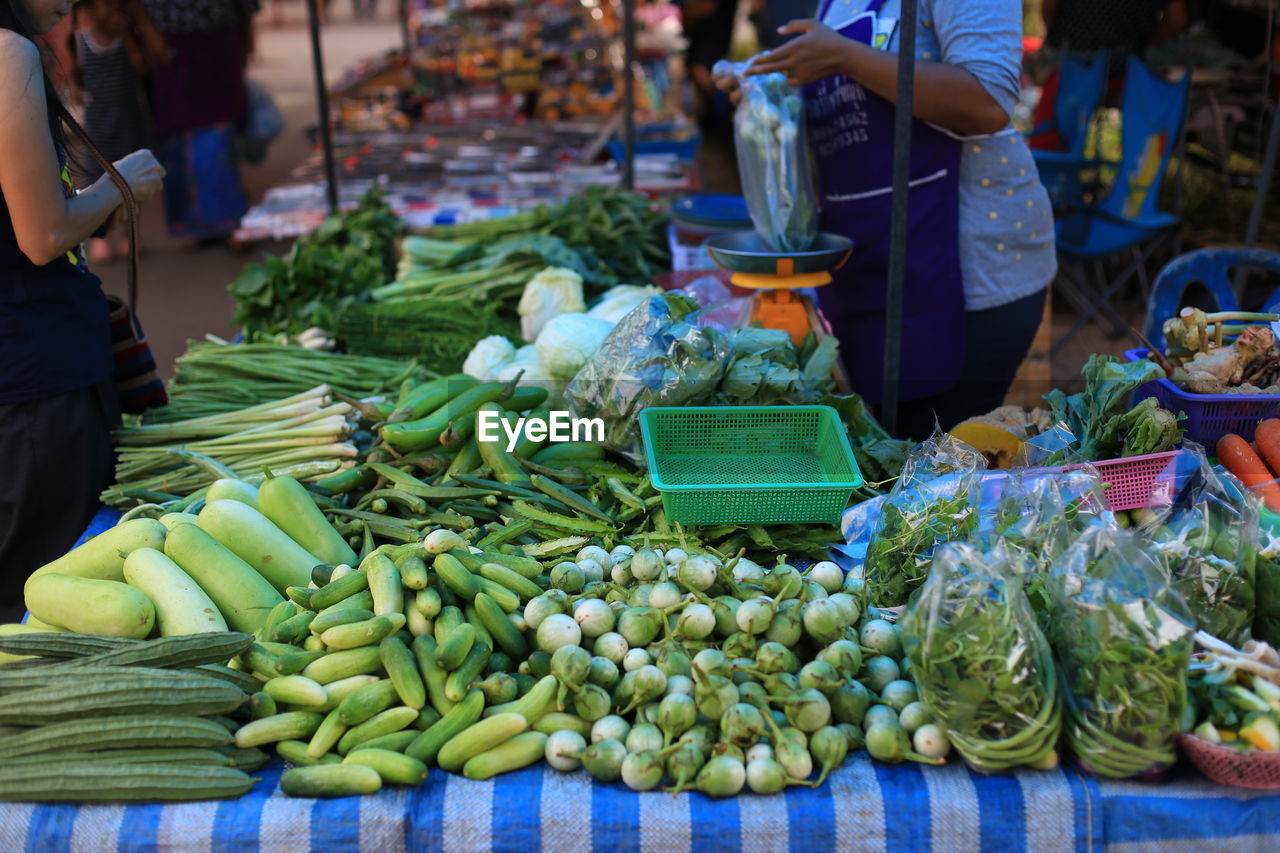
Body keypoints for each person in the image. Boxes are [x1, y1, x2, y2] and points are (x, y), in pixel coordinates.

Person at [717, 1, 1056, 440]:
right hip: (873, 263)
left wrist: (846, 56)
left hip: (968, 273)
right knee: (883, 455)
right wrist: (774, 88)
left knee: (929, 472)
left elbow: (987, 101)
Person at [0, 0, 165, 622]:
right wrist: (117, 184)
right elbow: (42, 235)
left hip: (17, 373)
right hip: (36, 379)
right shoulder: (7, 52)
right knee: (45, 599)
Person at [140, 0, 257, 242]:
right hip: (172, 43)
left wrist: (247, 41)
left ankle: (229, 219)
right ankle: (194, 223)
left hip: (221, 40)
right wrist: (149, 32)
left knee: (219, 130)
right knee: (181, 132)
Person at [69, 0, 164, 262]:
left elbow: (142, 69)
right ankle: (102, 237)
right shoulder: (80, 43)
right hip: (97, 129)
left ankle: (130, 235)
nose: (113, 13)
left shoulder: (127, 42)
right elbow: (75, 80)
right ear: (87, 10)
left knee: (132, 180)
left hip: (128, 124)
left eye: (116, 7)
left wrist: (130, 38)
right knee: (96, 180)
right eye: (105, 7)